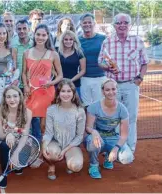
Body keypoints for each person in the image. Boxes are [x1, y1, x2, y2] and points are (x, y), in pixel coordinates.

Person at [98, 13, 149, 155]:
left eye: (125, 22)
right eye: (119, 23)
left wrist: (140, 77)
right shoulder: (107, 42)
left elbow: (145, 63)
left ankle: (129, 149)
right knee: (112, 117)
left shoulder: (137, 41)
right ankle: (112, 148)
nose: (122, 25)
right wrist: (107, 66)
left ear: (129, 25)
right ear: (114, 25)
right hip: (112, 86)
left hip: (131, 85)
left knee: (130, 117)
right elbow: (100, 62)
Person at [22, 24, 63, 168]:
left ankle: (44, 152)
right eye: (38, 34)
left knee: (44, 125)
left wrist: (51, 82)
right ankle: (35, 152)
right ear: (34, 35)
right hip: (31, 94)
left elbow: (60, 75)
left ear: (48, 36)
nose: (40, 37)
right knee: (32, 124)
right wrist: (26, 85)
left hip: (47, 93)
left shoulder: (53, 54)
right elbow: (23, 73)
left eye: (43, 35)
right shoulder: (27, 53)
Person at [85, 79, 134, 179]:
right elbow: (88, 127)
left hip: (112, 137)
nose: (111, 92)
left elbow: (124, 135)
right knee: (93, 143)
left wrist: (115, 149)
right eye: (107, 90)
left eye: (113, 89)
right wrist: (94, 132)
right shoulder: (93, 107)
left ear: (117, 90)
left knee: (127, 157)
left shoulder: (122, 109)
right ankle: (93, 165)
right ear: (103, 91)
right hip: (98, 136)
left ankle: (108, 157)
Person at [42, 79, 86, 180]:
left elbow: (79, 136)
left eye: (69, 91)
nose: (66, 94)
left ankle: (68, 159)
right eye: (63, 91)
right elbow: (48, 133)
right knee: (50, 152)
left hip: (71, 145)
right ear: (58, 93)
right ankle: (51, 165)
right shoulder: (51, 109)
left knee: (76, 166)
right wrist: (44, 147)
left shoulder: (80, 111)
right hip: (56, 142)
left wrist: (65, 150)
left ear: (74, 93)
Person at [0, 85, 32, 188]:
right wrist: (9, 134)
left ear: (20, 97)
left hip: (22, 142)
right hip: (6, 141)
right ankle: (4, 173)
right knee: (3, 146)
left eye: (15, 96)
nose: (12, 99)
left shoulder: (27, 113)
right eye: (8, 97)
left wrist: (16, 153)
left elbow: (24, 135)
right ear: (5, 99)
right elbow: (1, 135)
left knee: (18, 163)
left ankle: (17, 164)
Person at [78, 13, 106, 107]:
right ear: (81, 24)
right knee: (86, 106)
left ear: (94, 24)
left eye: (89, 22)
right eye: (84, 22)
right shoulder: (77, 41)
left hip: (100, 78)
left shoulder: (103, 39)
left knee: (99, 106)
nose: (87, 24)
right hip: (84, 79)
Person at [58, 30, 86, 98]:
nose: (68, 41)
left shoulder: (79, 53)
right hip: (59, 84)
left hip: (74, 84)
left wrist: (70, 80)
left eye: (71, 39)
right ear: (62, 40)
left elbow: (83, 70)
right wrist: (59, 79)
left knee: (75, 106)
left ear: (74, 41)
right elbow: (53, 68)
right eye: (66, 39)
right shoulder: (58, 52)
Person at [11, 19, 33, 92]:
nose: (22, 31)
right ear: (16, 30)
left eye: (24, 28)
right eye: (19, 29)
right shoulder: (12, 44)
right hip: (16, 84)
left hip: (31, 83)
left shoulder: (34, 44)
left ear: (29, 29)